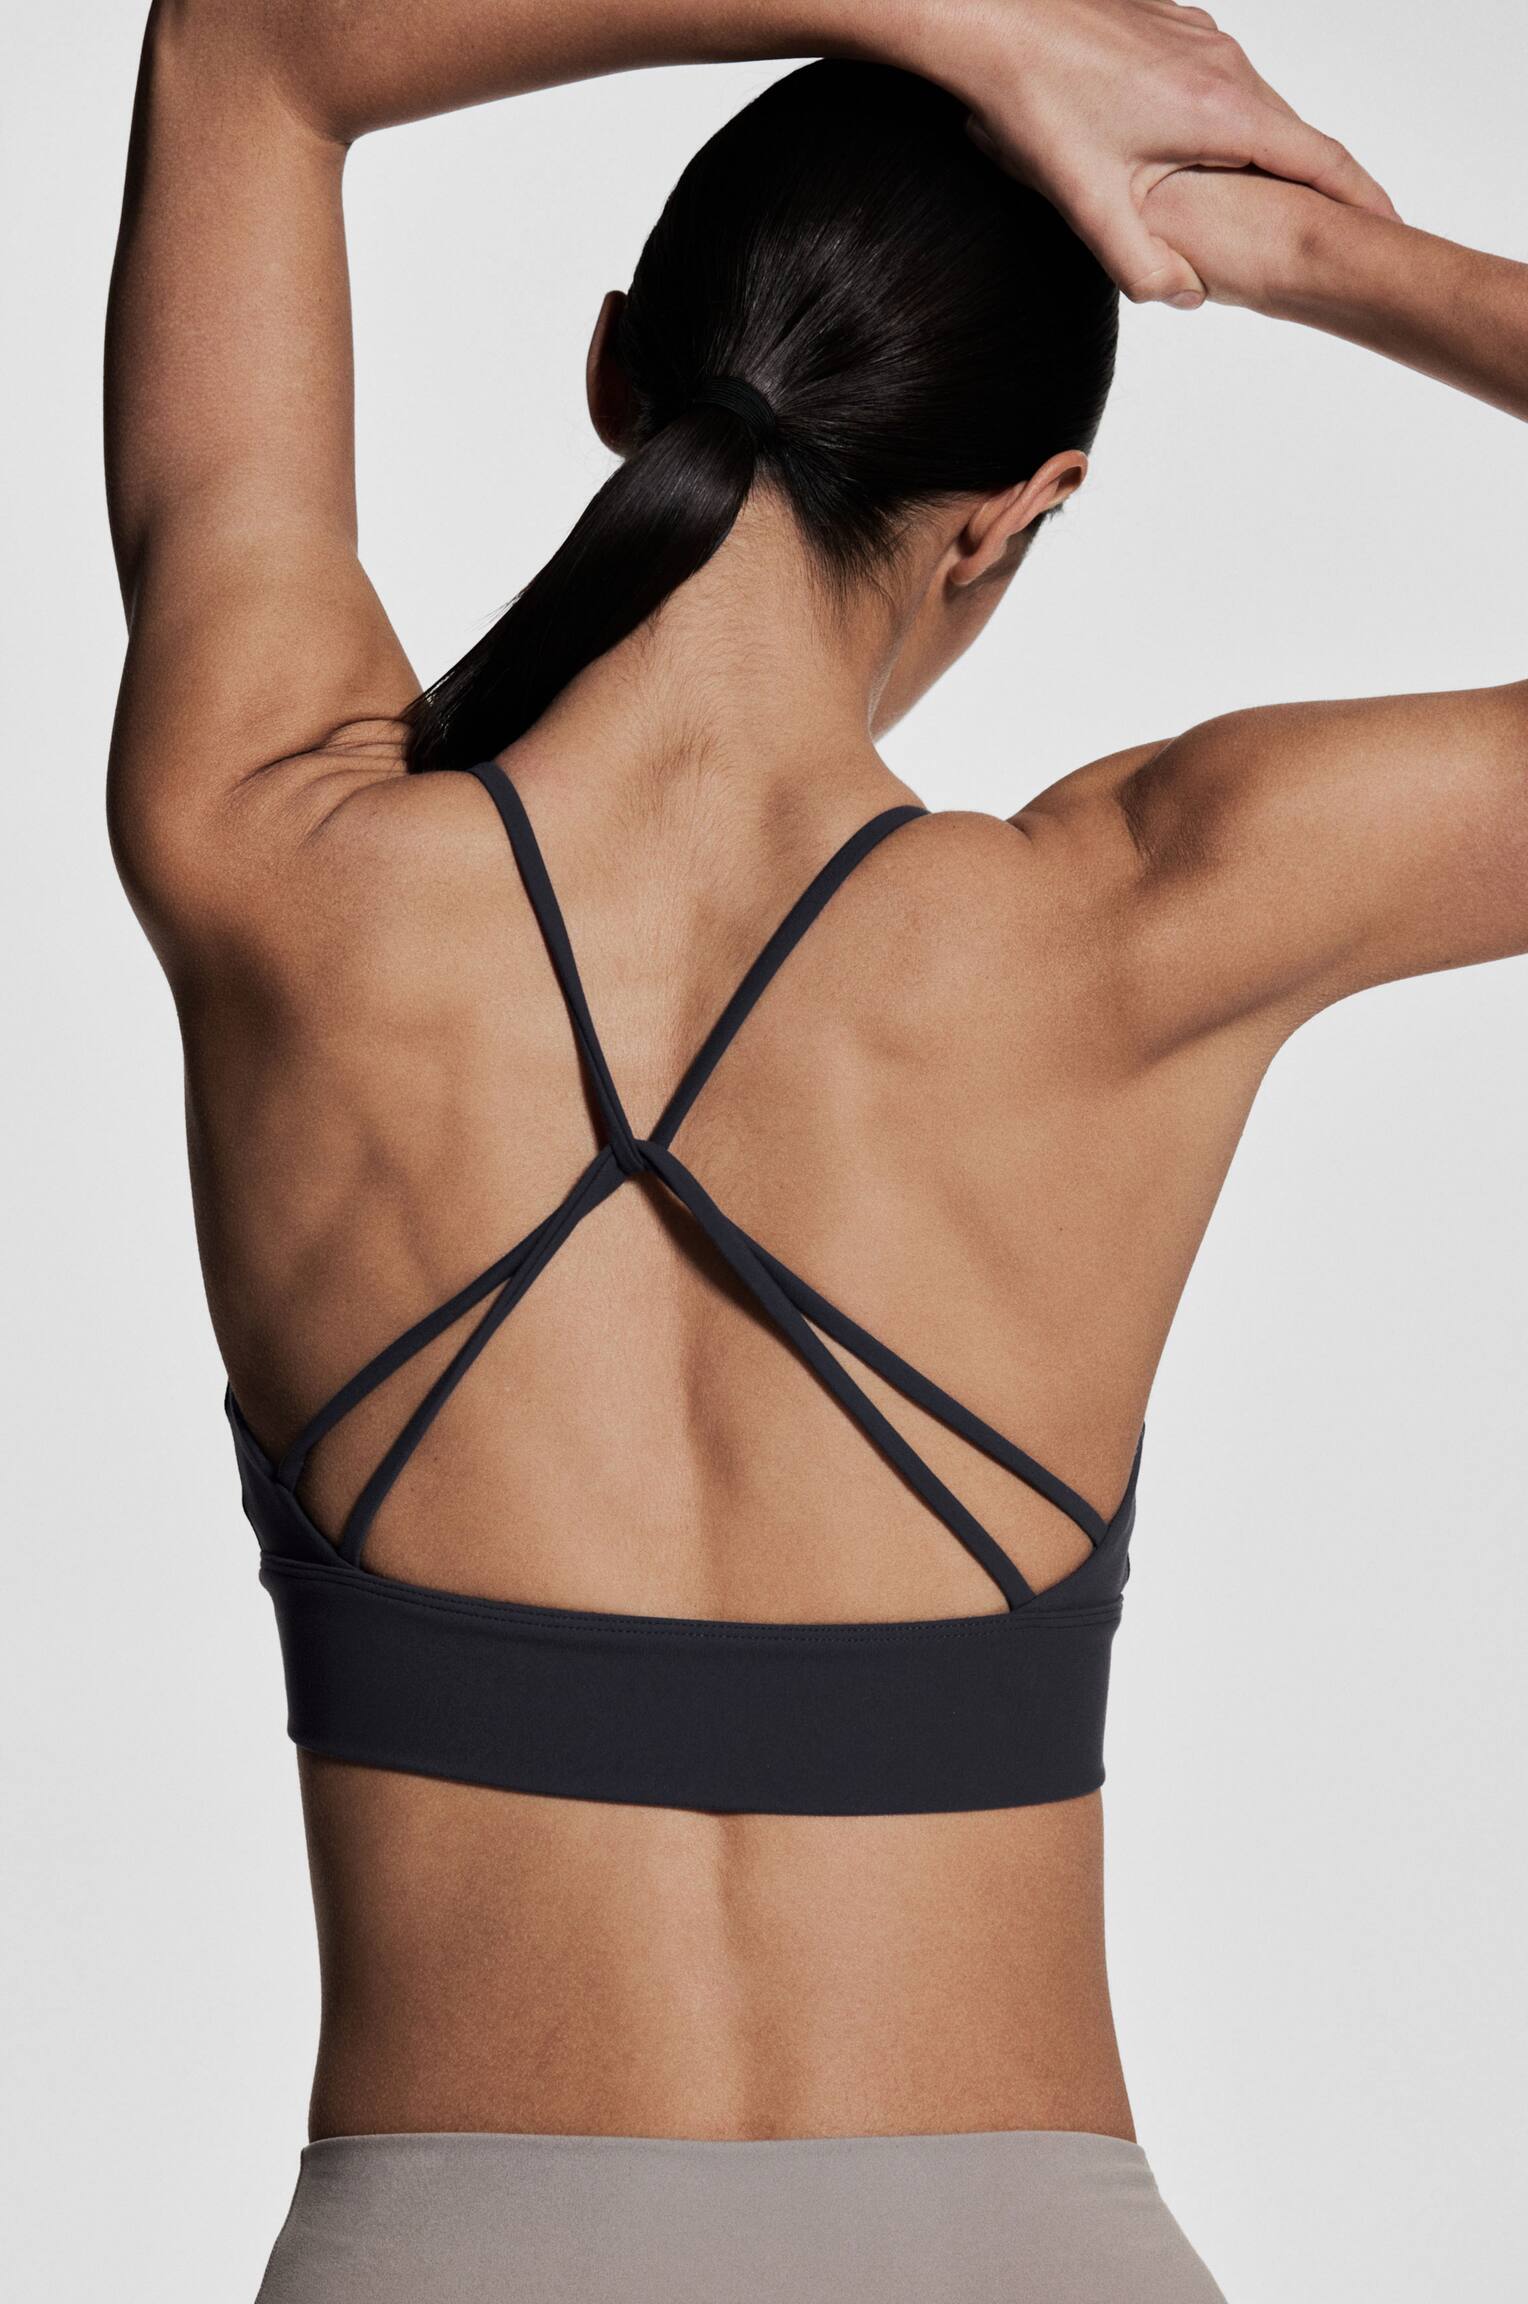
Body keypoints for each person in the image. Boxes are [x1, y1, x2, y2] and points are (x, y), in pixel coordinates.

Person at [105, 2, 1526, 2298]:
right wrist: (1300, 254)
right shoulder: (1150, 918)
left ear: (615, 374)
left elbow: (247, 47)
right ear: (1019, 512)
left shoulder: (282, 861)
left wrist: (961, 20)